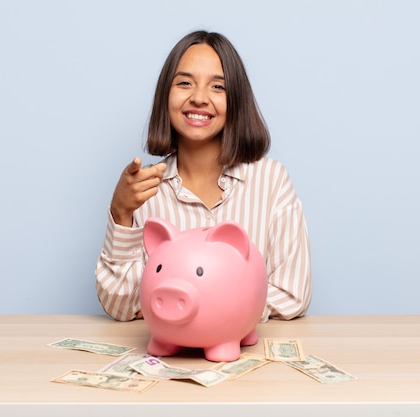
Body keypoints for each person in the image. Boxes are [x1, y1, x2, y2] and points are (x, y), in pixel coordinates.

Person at [95, 30, 311, 322]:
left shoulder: (271, 180)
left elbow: (292, 294)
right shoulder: (143, 191)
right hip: (169, 360)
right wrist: (121, 213)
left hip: (247, 356)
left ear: (236, 100)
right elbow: (121, 306)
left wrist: (202, 314)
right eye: (185, 83)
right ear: (165, 95)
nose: (198, 98)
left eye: (218, 87)